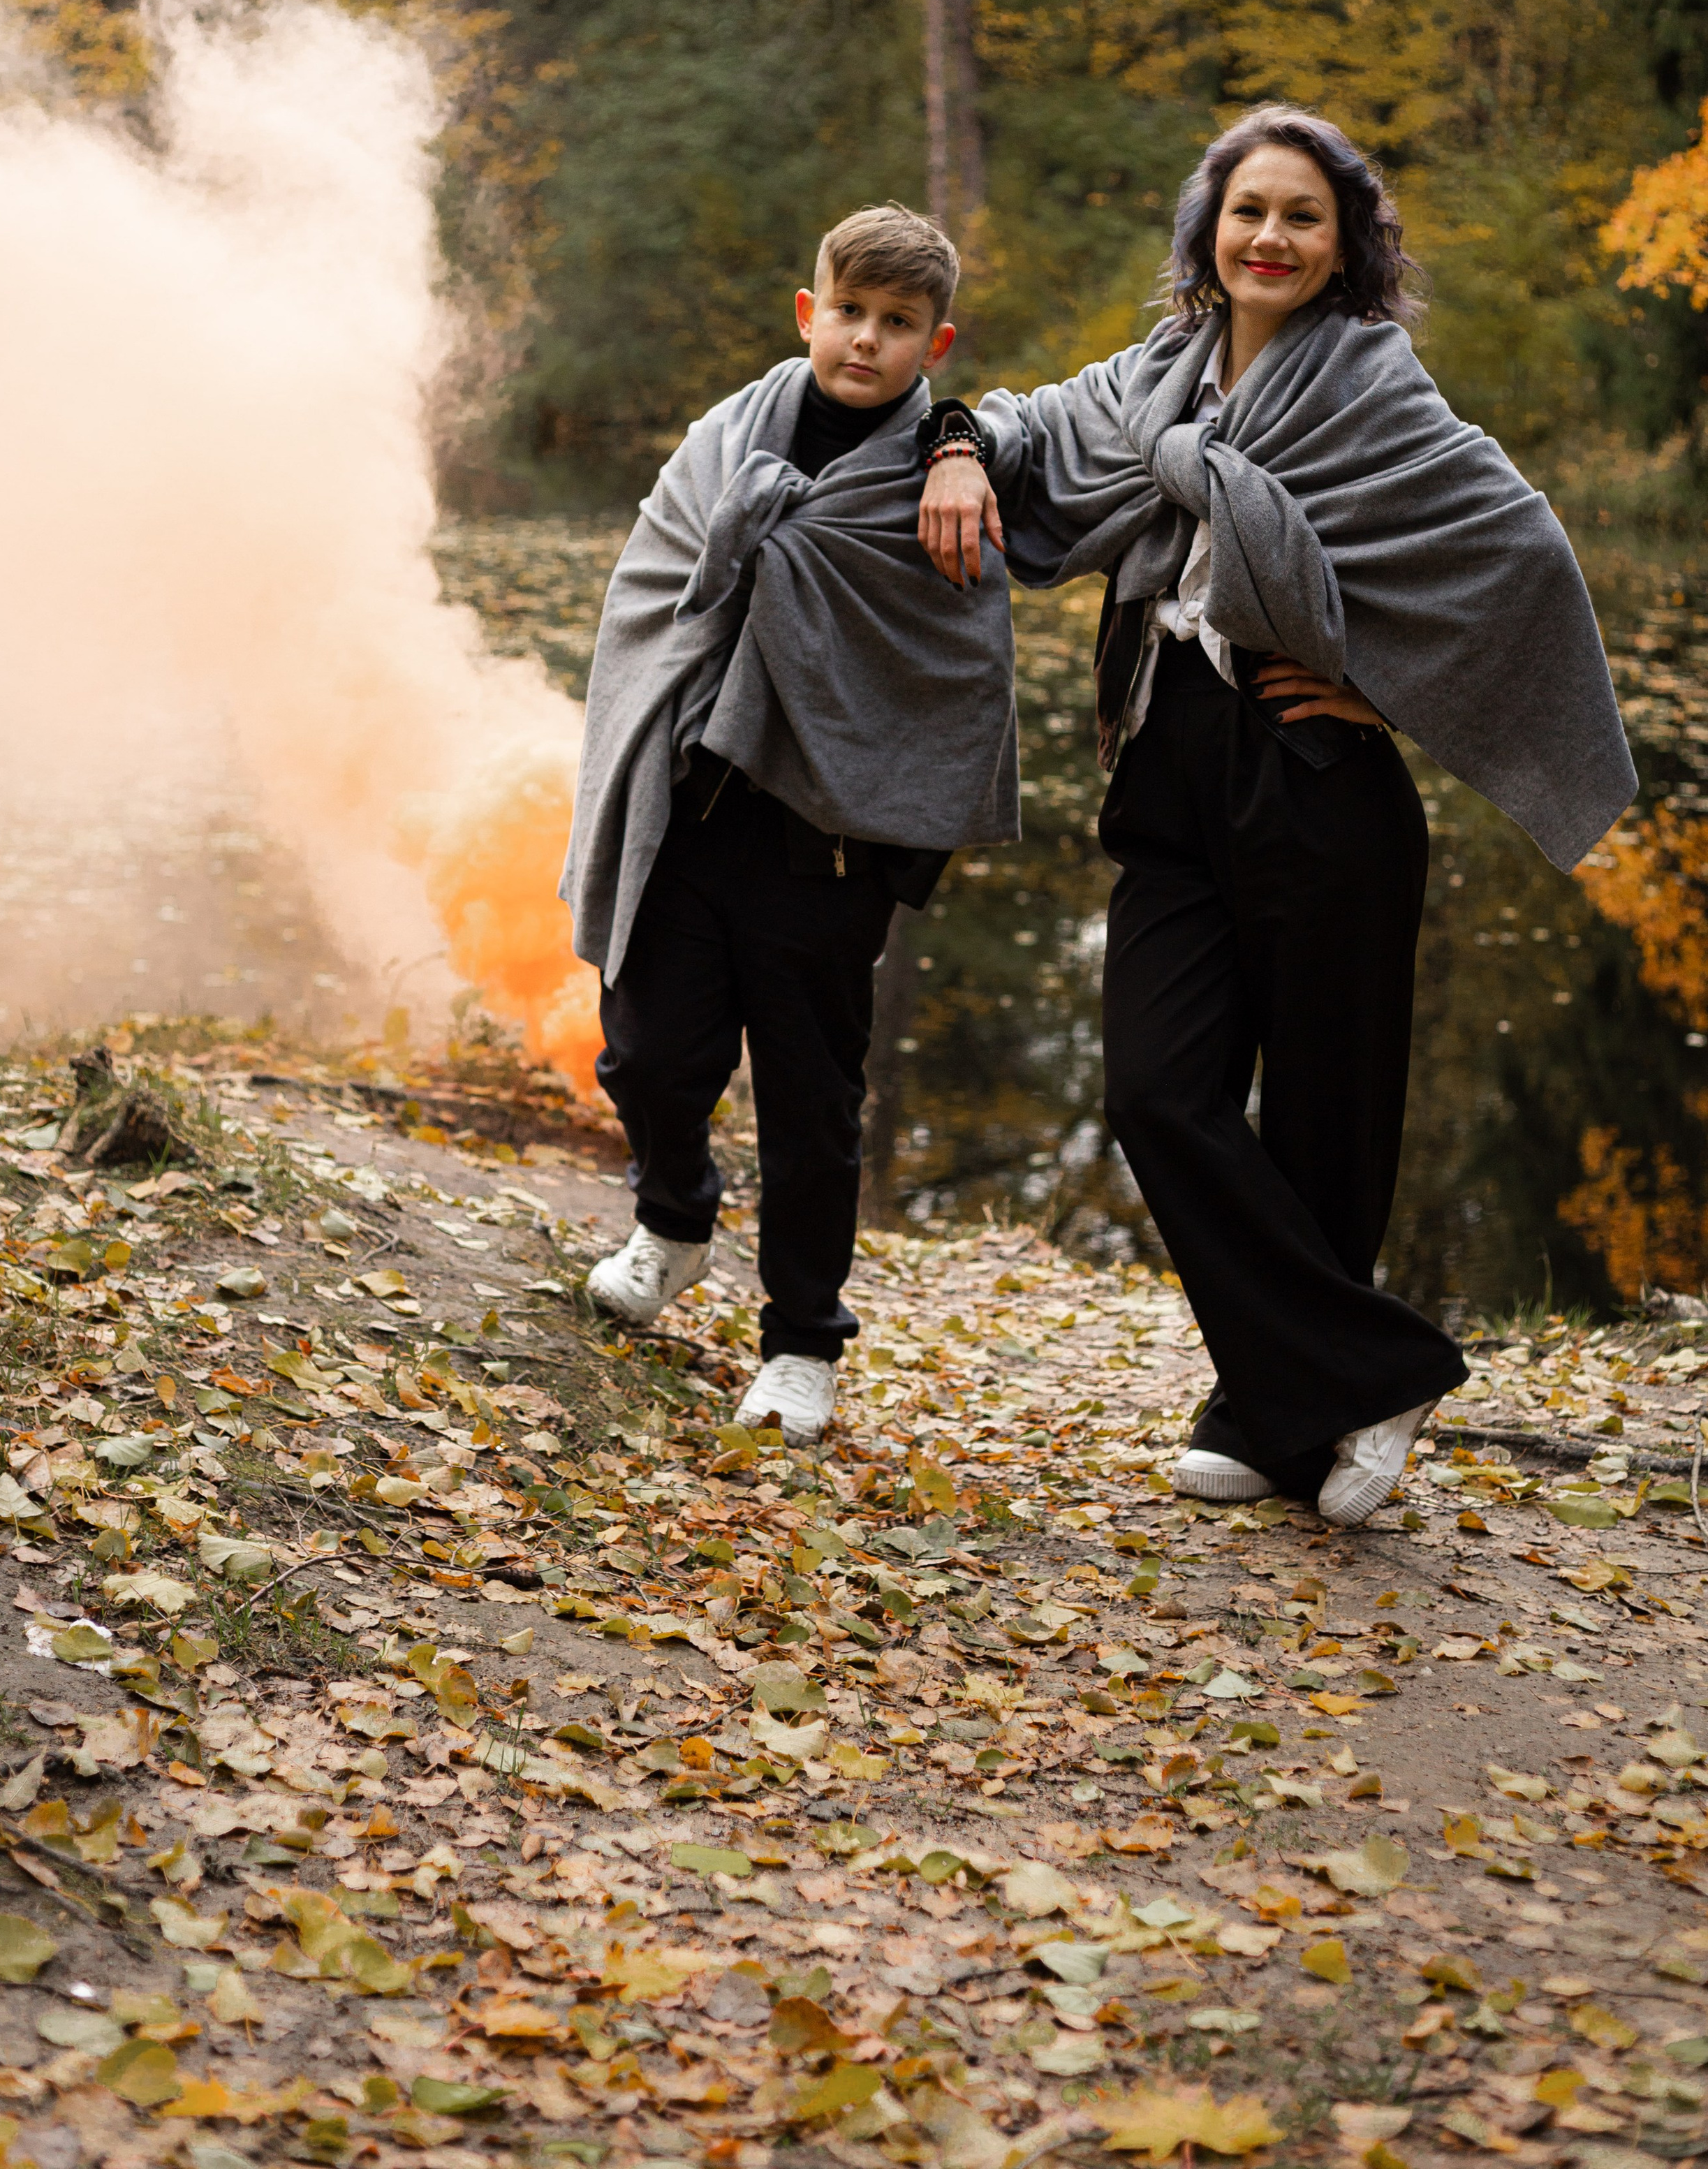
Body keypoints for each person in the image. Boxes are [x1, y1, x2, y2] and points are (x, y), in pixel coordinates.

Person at [917, 108, 1635, 1526]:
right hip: (1167, 764)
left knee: (1326, 1119)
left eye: (1301, 217)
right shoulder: (1152, 380)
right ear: (1209, 230)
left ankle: (1267, 1417)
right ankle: (1374, 1370)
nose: (1269, 237)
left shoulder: (1373, 390)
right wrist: (950, 447)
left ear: (1341, 245)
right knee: (1154, 1092)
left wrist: (1385, 689)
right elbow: (1011, 428)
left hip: (1316, 778)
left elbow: (1518, 550)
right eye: (1248, 210)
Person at [561, 203, 1018, 1444]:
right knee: (649, 1050)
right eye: (851, 314)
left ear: (938, 340)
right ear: (810, 313)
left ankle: (804, 1342)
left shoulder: (947, 474)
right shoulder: (731, 434)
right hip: (693, 805)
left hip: (829, 840)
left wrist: (962, 442)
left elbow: (957, 663)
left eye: (900, 324)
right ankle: (672, 1220)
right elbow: (649, 598)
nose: (868, 342)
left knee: (812, 1103)